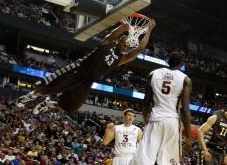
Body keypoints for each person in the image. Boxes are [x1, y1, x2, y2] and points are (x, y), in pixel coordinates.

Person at [16, 16, 156, 114]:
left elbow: (139, 50)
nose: (126, 48)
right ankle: (30, 96)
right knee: (51, 85)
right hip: (78, 69)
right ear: (120, 40)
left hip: (87, 81)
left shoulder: (122, 59)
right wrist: (126, 25)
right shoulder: (107, 43)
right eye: (126, 44)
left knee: (70, 107)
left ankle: (48, 104)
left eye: (128, 47)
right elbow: (115, 33)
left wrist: (148, 30)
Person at [133, 51, 192, 165]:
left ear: (167, 61)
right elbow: (185, 109)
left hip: (154, 119)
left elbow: (146, 102)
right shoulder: (185, 79)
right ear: (181, 64)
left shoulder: (153, 74)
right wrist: (188, 135)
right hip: (172, 121)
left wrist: (146, 121)